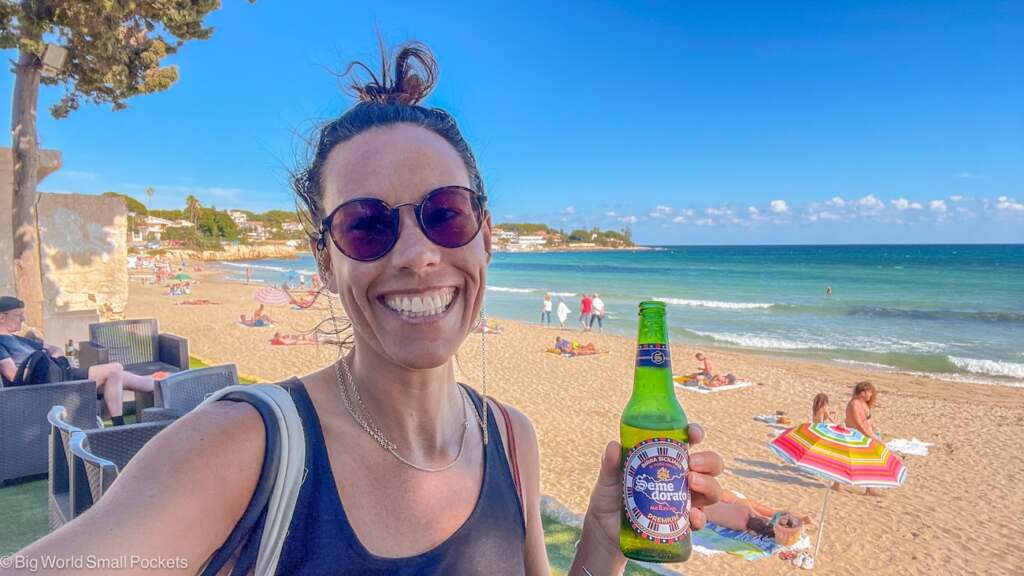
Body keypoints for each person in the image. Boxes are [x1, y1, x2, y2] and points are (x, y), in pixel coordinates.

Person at [11, 42, 723, 574]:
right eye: (366, 224)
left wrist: (602, 534)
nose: (416, 254)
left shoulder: (511, 437)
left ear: (486, 237)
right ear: (325, 260)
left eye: (446, 213)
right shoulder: (242, 448)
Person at [0, 296, 155, 426]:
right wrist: (42, 365)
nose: (23, 319)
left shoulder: (19, 339)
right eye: (18, 315)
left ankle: (164, 381)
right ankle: (119, 424)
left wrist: (57, 359)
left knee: (122, 377)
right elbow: (13, 375)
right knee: (115, 369)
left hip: (61, 374)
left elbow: (54, 348)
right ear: (2, 317)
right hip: (51, 386)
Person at [845, 381, 886, 497]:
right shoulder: (854, 404)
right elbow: (859, 425)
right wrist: (872, 437)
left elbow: (868, 420)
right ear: (862, 392)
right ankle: (869, 488)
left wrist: (875, 431)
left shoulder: (864, 404)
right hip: (856, 436)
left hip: (866, 434)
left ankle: (869, 488)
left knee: (870, 461)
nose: (871, 395)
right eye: (869, 392)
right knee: (853, 462)